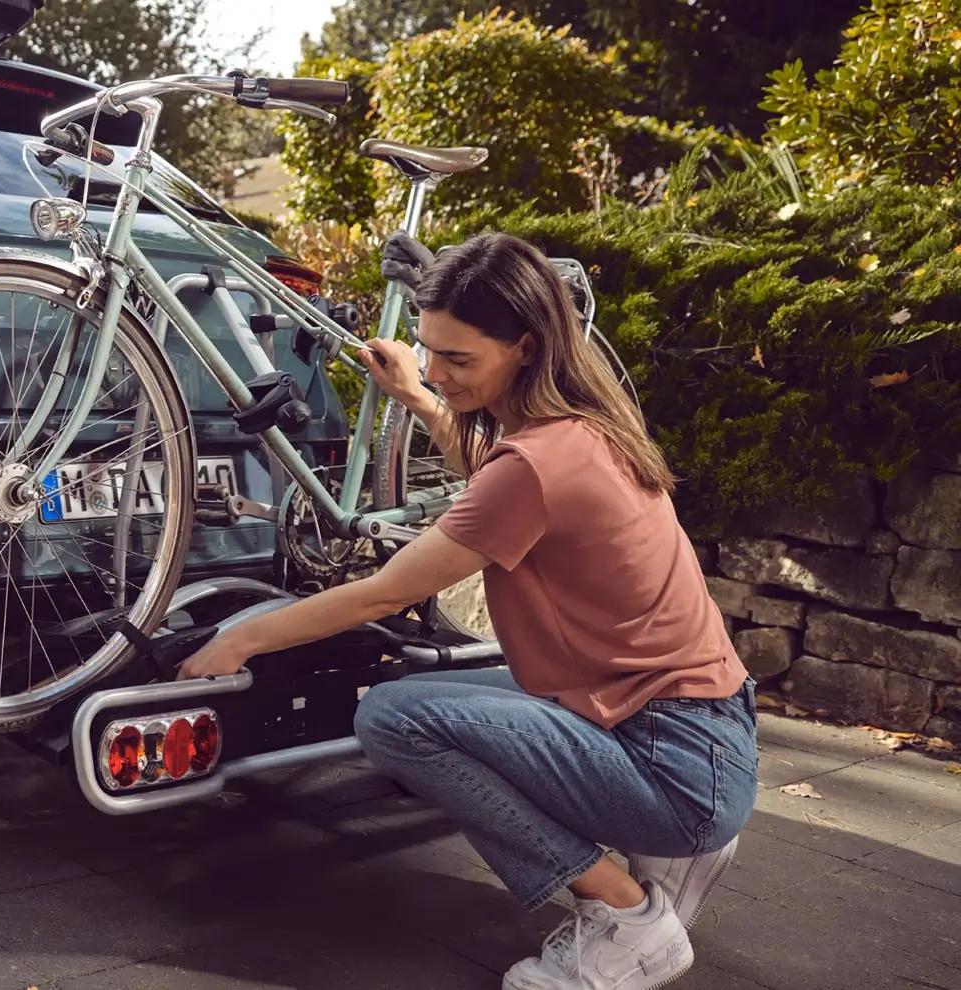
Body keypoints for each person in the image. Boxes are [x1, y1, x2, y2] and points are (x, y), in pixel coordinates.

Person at [175, 231, 757, 989]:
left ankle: (624, 918)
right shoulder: (585, 427)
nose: (440, 371)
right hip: (696, 732)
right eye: (430, 350)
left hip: (671, 764)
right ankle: (674, 848)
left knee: (393, 718)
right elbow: (496, 482)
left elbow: (390, 590)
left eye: (458, 360)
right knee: (431, 695)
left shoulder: (536, 466)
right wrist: (416, 394)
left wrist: (240, 639)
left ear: (523, 346)